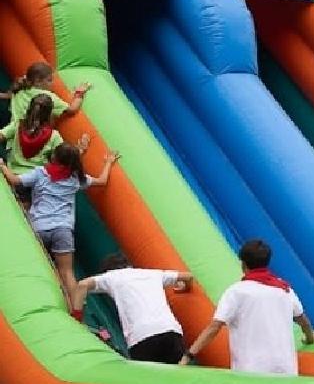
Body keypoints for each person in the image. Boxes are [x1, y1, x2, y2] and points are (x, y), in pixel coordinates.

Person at [1, 144, 118, 306]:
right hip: (63, 229)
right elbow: (102, 181)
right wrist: (109, 163)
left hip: (39, 227)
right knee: (68, 273)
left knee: (43, 267)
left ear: (54, 157)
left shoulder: (41, 173)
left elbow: (15, 180)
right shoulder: (76, 179)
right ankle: (76, 309)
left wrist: (3, 166)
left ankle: (44, 301)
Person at [180, 239, 314, 373]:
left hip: (251, 372)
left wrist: (188, 355)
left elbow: (214, 327)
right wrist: (310, 339)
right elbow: (303, 321)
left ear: (243, 264)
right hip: (285, 370)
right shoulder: (284, 289)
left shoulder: (237, 291)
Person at [71, 254, 194, 363]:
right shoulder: (152, 273)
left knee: (149, 383)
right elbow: (188, 277)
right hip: (170, 330)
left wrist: (77, 318)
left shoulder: (111, 276)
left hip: (141, 337)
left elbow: (82, 285)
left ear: (107, 271)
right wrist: (185, 288)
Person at [1, 94, 75, 209]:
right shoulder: (54, 136)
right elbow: (65, 156)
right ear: (49, 114)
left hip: (10, 173)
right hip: (32, 183)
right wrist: (80, 149)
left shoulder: (18, 125)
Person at [7, 61, 89, 127]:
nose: (52, 83)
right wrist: (80, 94)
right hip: (32, 139)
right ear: (38, 81)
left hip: (14, 139)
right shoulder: (46, 96)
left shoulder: (20, 90)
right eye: (49, 80)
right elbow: (72, 110)